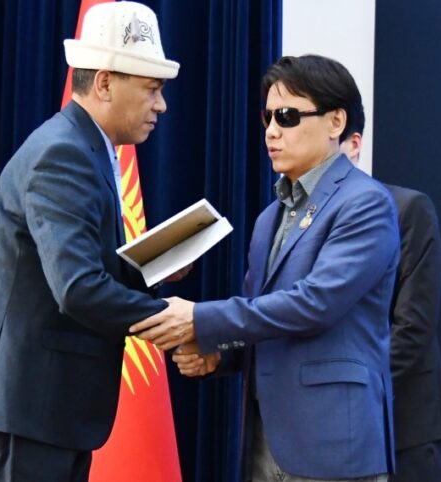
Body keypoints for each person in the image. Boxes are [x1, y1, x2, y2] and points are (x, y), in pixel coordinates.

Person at [133, 54, 400, 482]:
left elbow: (315, 304)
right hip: (266, 438)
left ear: (336, 122)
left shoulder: (364, 203)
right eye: (268, 117)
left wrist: (199, 319)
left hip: (334, 440)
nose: (272, 131)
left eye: (288, 116)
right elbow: (263, 318)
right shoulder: (269, 218)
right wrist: (219, 355)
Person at [0, 1, 187, 482]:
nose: (161, 105)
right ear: (104, 83)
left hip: (43, 407)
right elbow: (77, 288)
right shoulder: (64, 153)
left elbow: (74, 271)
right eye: (152, 89)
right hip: (28, 406)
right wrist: (172, 319)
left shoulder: (84, 147)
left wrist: (150, 268)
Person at [340, 129, 441, 481]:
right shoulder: (291, 221)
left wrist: (346, 392)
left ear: (353, 145)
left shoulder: (406, 208)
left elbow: (413, 327)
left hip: (401, 423)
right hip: (325, 432)